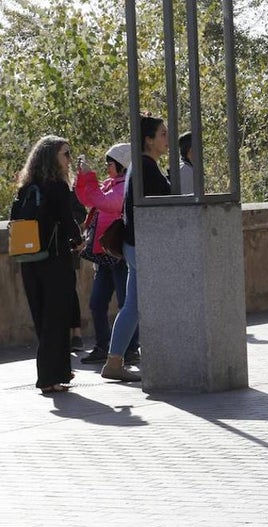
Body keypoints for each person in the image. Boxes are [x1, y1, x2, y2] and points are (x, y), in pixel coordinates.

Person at [101, 115, 171, 382]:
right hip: (144, 246)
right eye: (162, 134)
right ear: (148, 139)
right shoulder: (146, 167)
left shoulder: (138, 167)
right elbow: (166, 202)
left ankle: (114, 361)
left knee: (132, 305)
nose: (166, 139)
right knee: (136, 306)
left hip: (134, 244)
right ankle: (115, 361)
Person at [11, 136, 83, 393]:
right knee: (58, 316)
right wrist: (78, 240)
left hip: (29, 260)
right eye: (65, 154)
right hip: (54, 260)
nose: (69, 159)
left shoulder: (26, 187)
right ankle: (49, 378)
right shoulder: (57, 187)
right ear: (52, 157)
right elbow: (67, 221)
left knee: (42, 317)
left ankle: (58, 372)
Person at [74, 142, 139, 366]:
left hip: (119, 254)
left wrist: (90, 178)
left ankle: (130, 348)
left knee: (126, 303)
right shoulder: (111, 184)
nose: (107, 168)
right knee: (97, 302)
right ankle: (104, 345)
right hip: (103, 255)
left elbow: (104, 202)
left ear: (122, 165)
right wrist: (83, 176)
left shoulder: (124, 187)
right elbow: (87, 198)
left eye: (110, 164)